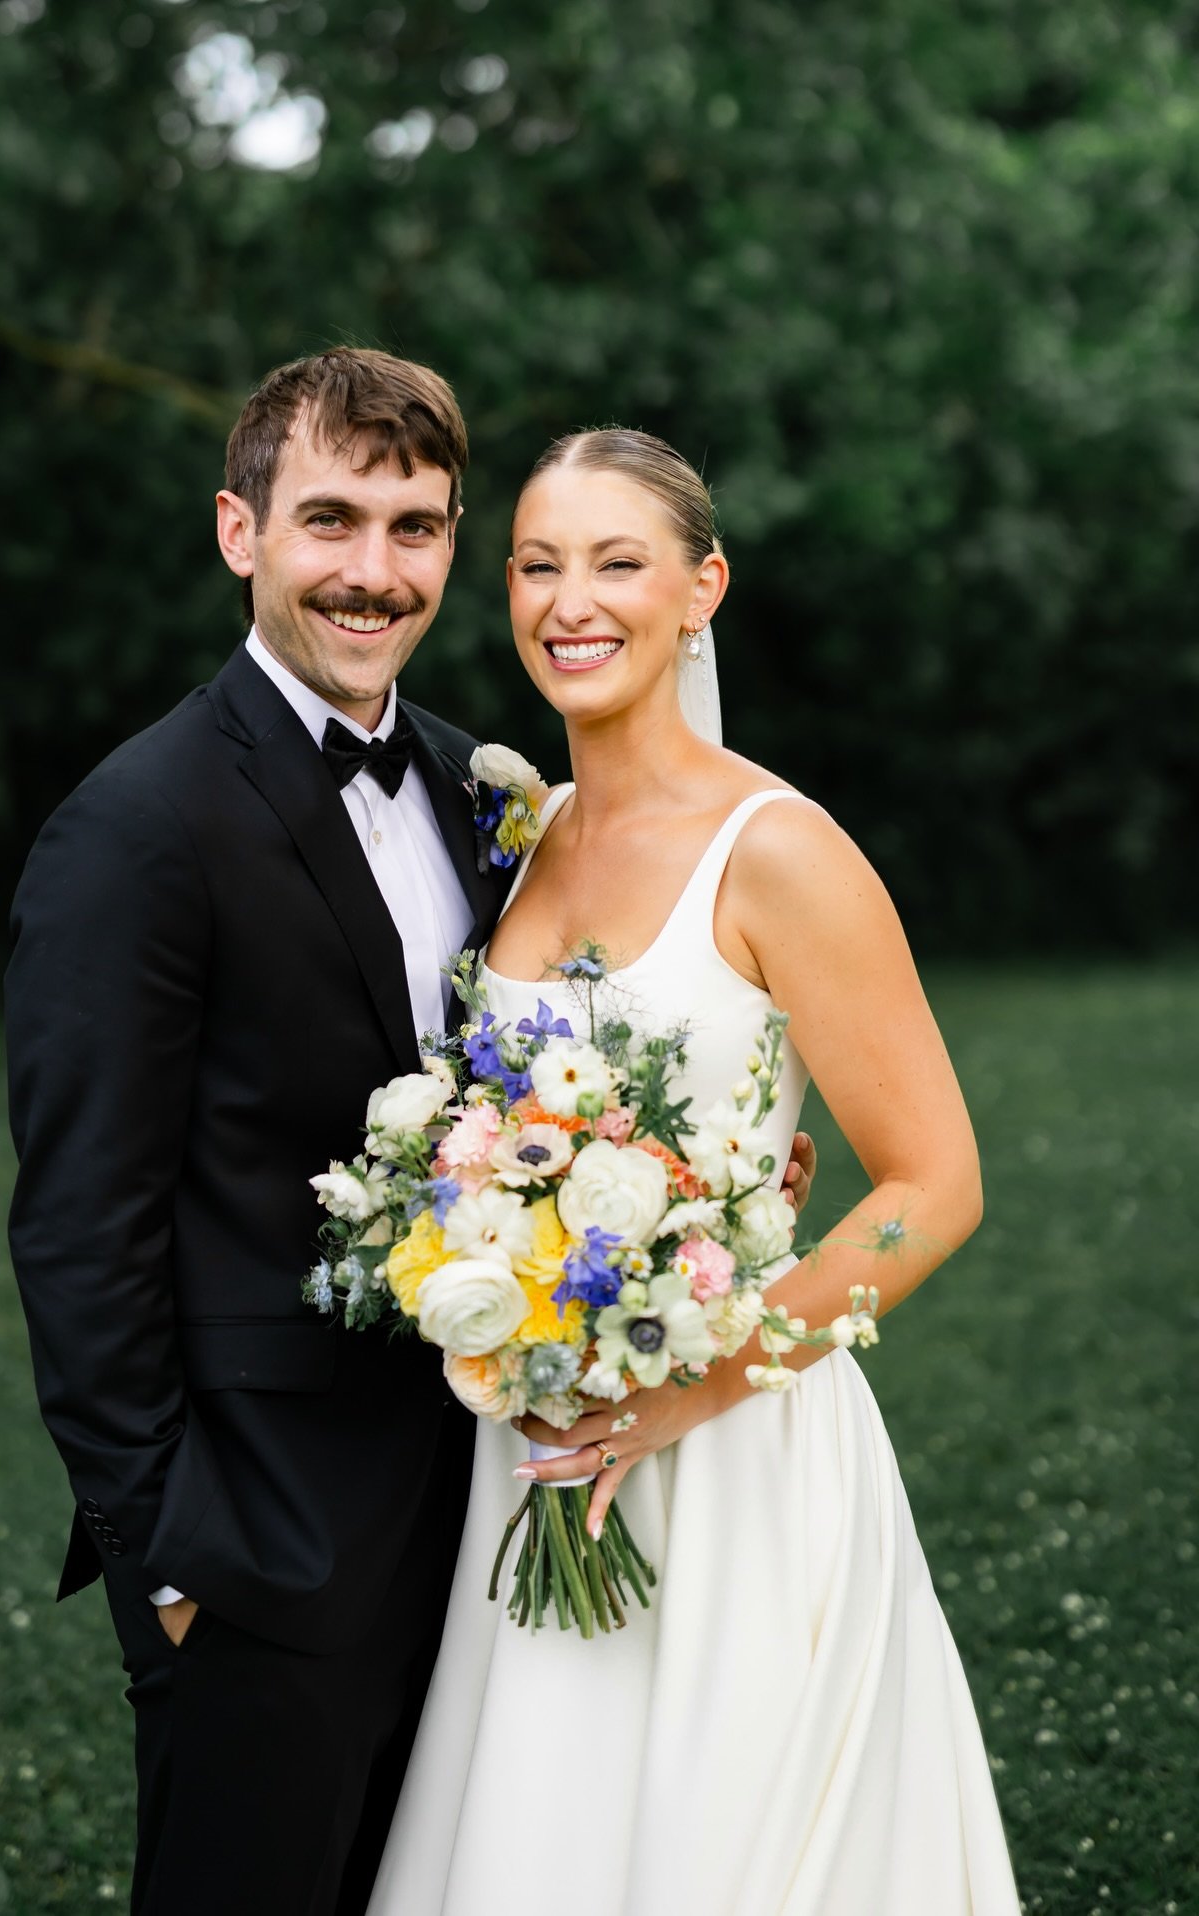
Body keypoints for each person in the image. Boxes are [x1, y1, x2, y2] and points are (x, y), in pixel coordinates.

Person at [4, 345, 824, 1915]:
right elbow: (77, 1225)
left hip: (484, 1513)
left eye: (416, 526)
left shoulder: (483, 789)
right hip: (259, 1548)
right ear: (242, 533)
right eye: (330, 521)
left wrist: (716, 1177)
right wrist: (166, 1563)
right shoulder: (136, 826)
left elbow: (545, 1081)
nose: (373, 573)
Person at [366, 430, 1022, 1916]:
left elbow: (936, 1180)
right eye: (538, 563)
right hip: (531, 1454)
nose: (568, 600)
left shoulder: (780, 850)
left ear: (700, 587)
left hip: (733, 1459)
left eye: (616, 561)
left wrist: (687, 1389)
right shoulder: (525, 841)